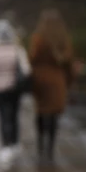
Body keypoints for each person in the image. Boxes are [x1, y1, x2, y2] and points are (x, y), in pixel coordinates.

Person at [30, 9, 74, 163]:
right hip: (57, 80)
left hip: (41, 80)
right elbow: (69, 63)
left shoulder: (38, 38)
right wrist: (69, 80)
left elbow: (32, 58)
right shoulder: (63, 39)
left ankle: (41, 144)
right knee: (54, 114)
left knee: (41, 112)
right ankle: (50, 148)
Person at [0, 19, 31, 169]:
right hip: (14, 88)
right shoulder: (17, 50)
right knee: (13, 115)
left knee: (3, 116)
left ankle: (5, 146)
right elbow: (26, 70)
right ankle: (15, 143)